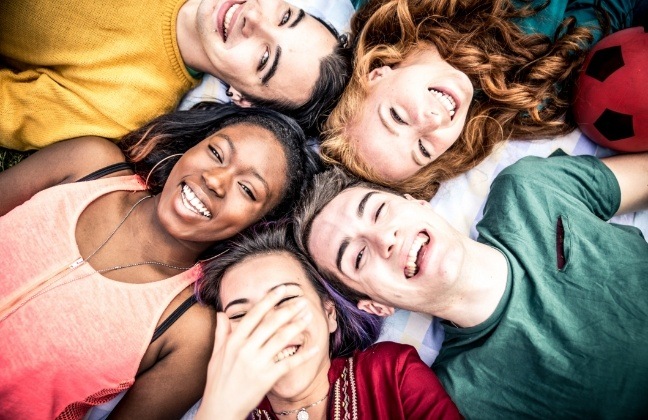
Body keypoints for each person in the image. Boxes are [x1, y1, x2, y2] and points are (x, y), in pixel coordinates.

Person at [0, 103, 317, 419]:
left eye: (247, 189)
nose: (216, 180)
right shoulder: (89, 163)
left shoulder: (190, 332)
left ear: (256, 226)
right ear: (192, 146)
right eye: (216, 153)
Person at [292, 151, 648, 417]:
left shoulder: (529, 187)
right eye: (357, 256)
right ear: (376, 305)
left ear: (418, 204)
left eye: (378, 211)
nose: (385, 238)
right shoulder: (468, 398)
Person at [320, 0, 639, 199]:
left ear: (376, 73)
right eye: (423, 148)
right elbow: (609, 12)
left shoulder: (384, 6)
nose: (432, 121)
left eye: (398, 117)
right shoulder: (532, 97)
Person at [0, 0, 350, 151]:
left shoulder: (123, 107)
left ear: (241, 98)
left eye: (263, 59)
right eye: (285, 17)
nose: (254, 21)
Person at [193, 224, 461, 419]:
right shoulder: (220, 411)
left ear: (329, 313)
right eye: (241, 316)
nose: (269, 327)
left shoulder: (392, 374)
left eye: (285, 300)